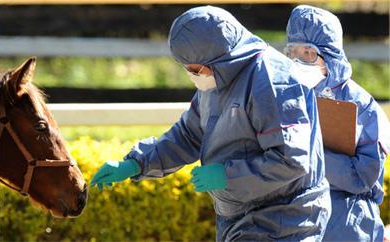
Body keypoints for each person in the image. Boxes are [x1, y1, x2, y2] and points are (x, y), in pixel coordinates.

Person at [91, 6, 332, 241]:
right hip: (241, 217)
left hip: (285, 221)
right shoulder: (217, 78)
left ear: (216, 59)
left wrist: (228, 176)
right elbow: (187, 135)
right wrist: (136, 163)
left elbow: (292, 160)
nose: (191, 73)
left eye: (193, 68)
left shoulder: (271, 81)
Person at [285, 5, 390, 241]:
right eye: (292, 51)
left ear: (329, 54)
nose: (298, 60)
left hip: (350, 227)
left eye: (308, 53)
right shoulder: (290, 97)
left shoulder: (361, 105)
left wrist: (309, 158)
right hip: (300, 226)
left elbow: (364, 175)